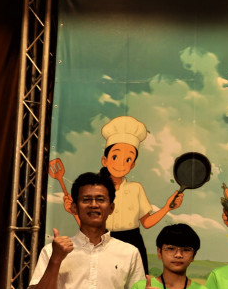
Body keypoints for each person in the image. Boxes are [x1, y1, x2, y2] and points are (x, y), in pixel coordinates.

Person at [61, 115, 182, 272]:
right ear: (105, 160)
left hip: (133, 241)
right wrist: (74, 212)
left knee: (136, 284)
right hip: (102, 240)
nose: (121, 163)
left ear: (133, 164)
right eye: (115, 156)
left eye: (128, 159)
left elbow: (146, 222)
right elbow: (89, 224)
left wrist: (167, 207)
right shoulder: (96, 190)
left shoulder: (136, 188)